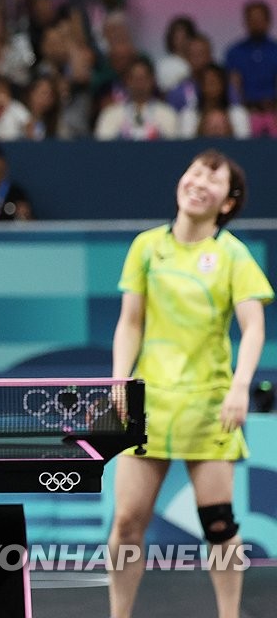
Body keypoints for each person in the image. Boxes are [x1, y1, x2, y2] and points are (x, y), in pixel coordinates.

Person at [107, 150, 270, 618]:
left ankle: (229, 615)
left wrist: (241, 386)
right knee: (125, 522)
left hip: (209, 405)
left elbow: (253, 327)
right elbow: (130, 322)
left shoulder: (232, 254)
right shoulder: (146, 246)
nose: (200, 181)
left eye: (213, 179)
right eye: (196, 171)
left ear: (227, 202)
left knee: (218, 524)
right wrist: (120, 380)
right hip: (151, 403)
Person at [224, 0, 277, 137]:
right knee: (237, 116)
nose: (256, 23)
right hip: (245, 109)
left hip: (274, 107)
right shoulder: (235, 52)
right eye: (252, 19)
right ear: (245, 22)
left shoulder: (275, 50)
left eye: (260, 19)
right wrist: (245, 105)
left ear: (268, 21)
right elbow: (233, 86)